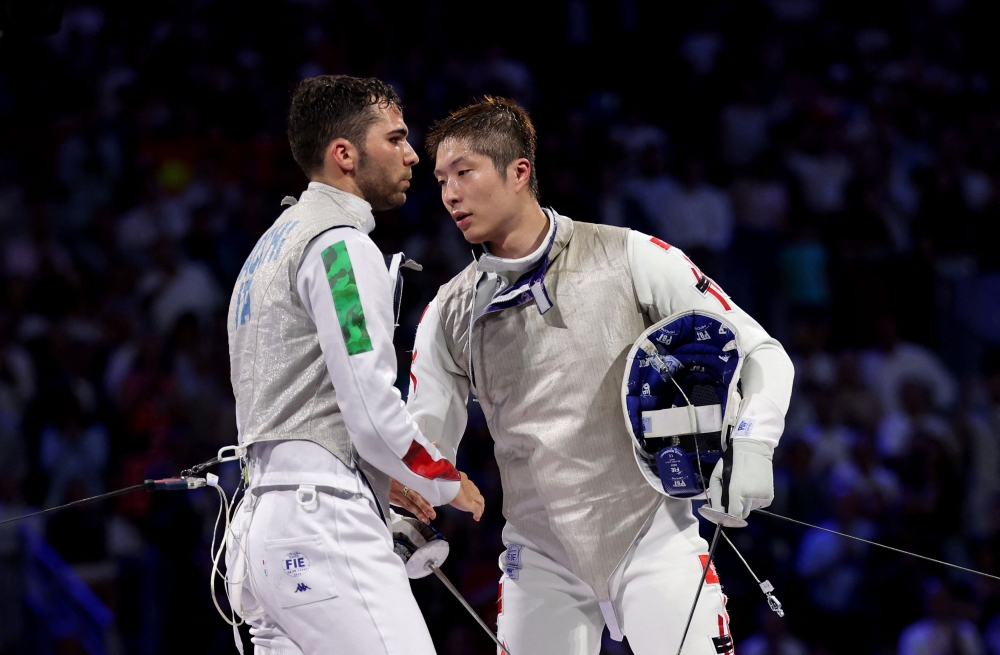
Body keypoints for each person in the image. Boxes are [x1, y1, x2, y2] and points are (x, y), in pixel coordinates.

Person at [406, 97, 794, 655]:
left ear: (519, 172)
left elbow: (761, 351)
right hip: (538, 560)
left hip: (654, 537)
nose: (449, 194)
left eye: (464, 173)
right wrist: (405, 508)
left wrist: (754, 442)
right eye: (441, 179)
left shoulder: (628, 255)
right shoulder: (449, 313)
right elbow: (424, 439)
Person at [224, 75, 485, 655]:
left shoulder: (268, 247)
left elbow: (295, 400)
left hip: (261, 532)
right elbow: (369, 407)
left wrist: (383, 475)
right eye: (395, 138)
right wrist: (443, 480)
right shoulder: (339, 245)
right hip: (322, 527)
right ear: (344, 154)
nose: (413, 154)